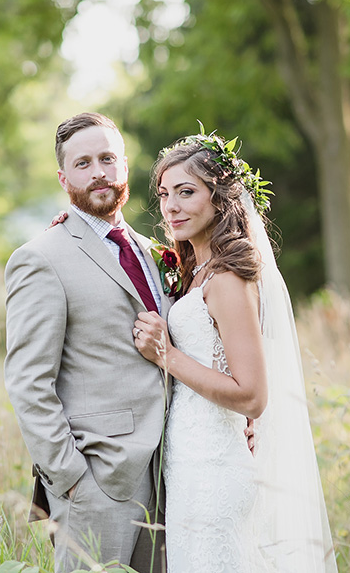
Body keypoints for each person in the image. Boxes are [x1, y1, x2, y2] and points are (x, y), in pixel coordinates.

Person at [132, 130, 337, 572]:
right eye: (165, 194)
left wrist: (166, 355)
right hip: (188, 463)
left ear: (219, 197)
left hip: (215, 471)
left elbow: (252, 394)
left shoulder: (226, 279)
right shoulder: (197, 270)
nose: (171, 206)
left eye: (187, 192)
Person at [4, 113, 172, 573]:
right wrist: (70, 476)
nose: (98, 171)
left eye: (107, 159)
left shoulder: (154, 252)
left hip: (169, 475)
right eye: (83, 163)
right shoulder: (40, 259)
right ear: (64, 178)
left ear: (124, 167)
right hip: (96, 480)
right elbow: (28, 381)